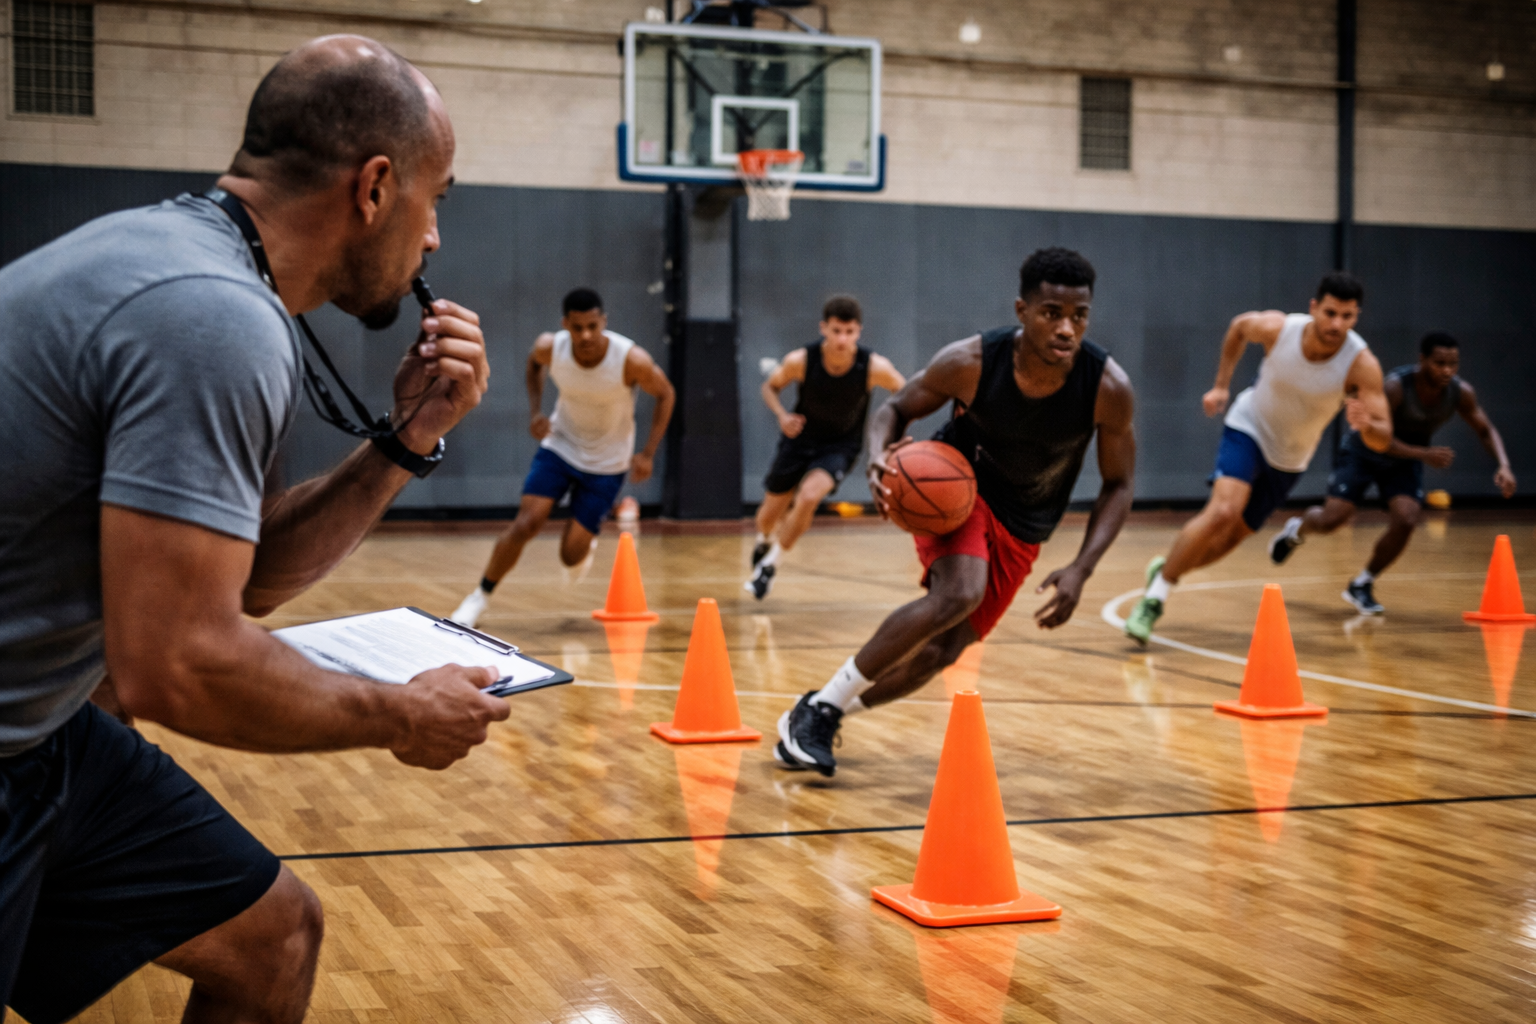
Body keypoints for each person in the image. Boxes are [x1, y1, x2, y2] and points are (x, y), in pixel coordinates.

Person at [0, 37, 511, 1024]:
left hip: (38, 734)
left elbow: (240, 584)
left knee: (270, 936)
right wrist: (402, 715)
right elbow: (179, 664)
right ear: (375, 187)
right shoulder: (215, 317)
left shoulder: (178, 257)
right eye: (436, 197)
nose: (436, 236)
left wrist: (406, 441)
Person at [775, 248, 1137, 777]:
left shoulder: (1107, 389)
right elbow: (894, 409)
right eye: (1051, 313)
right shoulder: (971, 362)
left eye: (1078, 316)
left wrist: (1082, 567)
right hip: (956, 492)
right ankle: (823, 710)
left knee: (942, 651)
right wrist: (879, 456)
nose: (1066, 328)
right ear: (1022, 310)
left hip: (1026, 522)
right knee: (959, 592)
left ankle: (821, 712)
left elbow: (1120, 482)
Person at [1123, 272, 1392, 644]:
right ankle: (1154, 601)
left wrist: (1368, 427)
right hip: (1248, 427)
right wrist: (1221, 385)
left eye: (1347, 316)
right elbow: (1238, 328)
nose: (1337, 324)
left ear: (1356, 316)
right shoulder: (1278, 329)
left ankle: (1166, 569)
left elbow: (1383, 437)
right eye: (1330, 313)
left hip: (1290, 458)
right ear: (1314, 307)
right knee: (1223, 511)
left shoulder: (1361, 365)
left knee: (1229, 540)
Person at [450, 288, 674, 627]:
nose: (585, 335)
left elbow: (666, 394)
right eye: (577, 327)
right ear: (565, 324)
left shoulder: (632, 360)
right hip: (561, 445)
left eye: (593, 326)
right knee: (527, 522)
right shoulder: (549, 348)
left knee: (570, 555)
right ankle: (479, 598)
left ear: (604, 323)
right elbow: (532, 365)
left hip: (608, 463)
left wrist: (648, 453)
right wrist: (536, 411)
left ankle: (585, 543)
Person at [1267, 331, 1518, 614]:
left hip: (1406, 458)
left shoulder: (1460, 393)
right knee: (1332, 520)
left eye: (1453, 364)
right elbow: (1380, 439)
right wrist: (1423, 454)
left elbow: (1485, 430)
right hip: (1364, 452)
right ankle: (1296, 530)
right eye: (1439, 363)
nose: (1447, 370)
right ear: (1422, 360)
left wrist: (1504, 465)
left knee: (1407, 518)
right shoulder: (1397, 387)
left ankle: (1362, 583)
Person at [745, 295, 906, 599]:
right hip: (799, 439)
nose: (842, 339)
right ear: (824, 328)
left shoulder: (873, 367)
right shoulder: (801, 361)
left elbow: (906, 394)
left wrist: (886, 435)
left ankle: (770, 566)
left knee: (808, 496)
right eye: (836, 331)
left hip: (840, 446)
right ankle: (763, 540)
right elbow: (770, 386)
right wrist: (782, 416)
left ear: (858, 331)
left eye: (849, 332)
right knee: (768, 514)